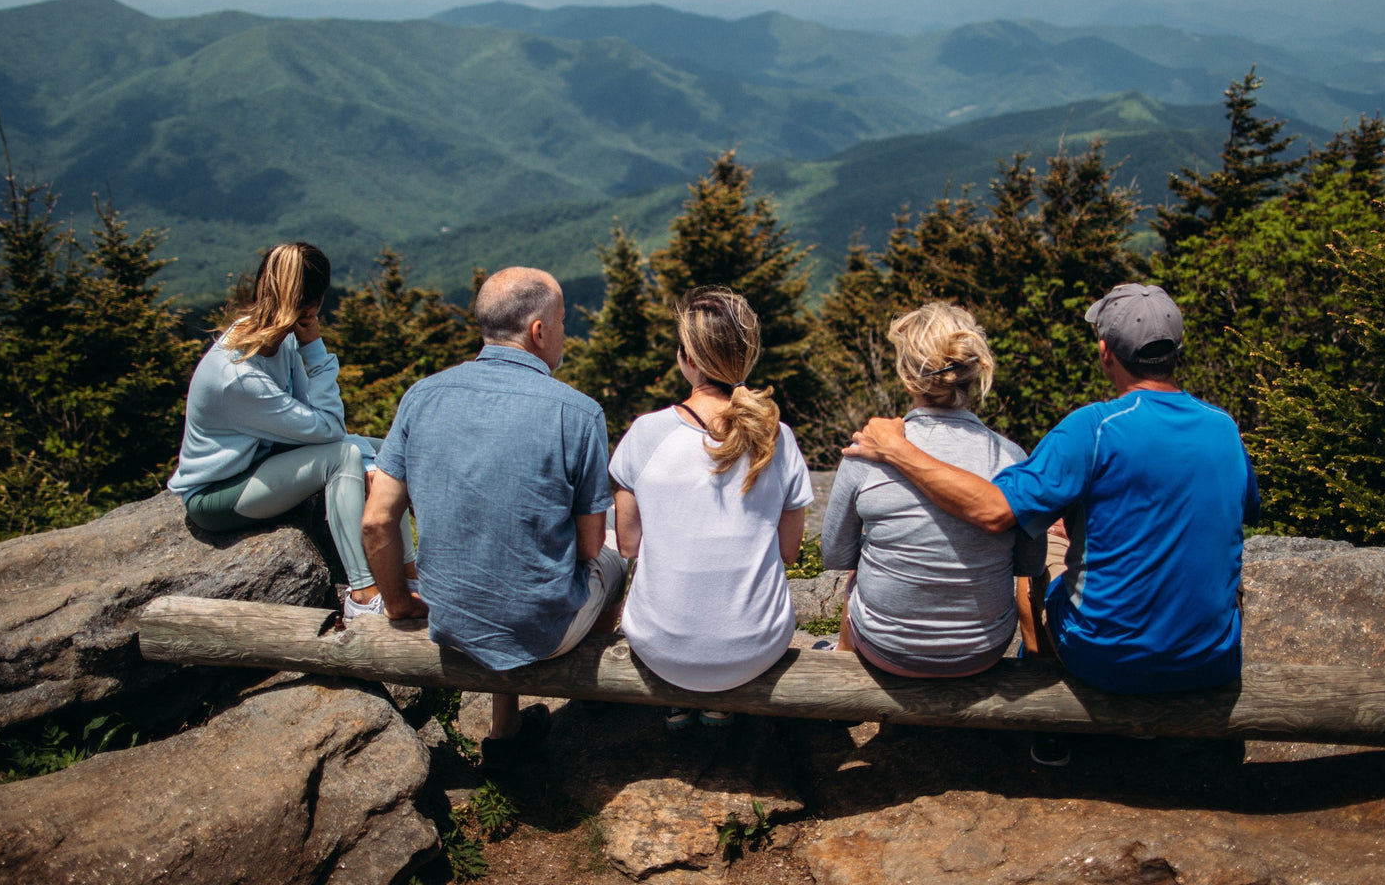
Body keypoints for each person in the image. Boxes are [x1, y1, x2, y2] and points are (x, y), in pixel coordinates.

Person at [844, 283, 1259, 765]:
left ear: (1105, 353)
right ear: (1175, 351)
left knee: (1042, 551)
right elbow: (1240, 510)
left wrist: (897, 449)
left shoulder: (1093, 427)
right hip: (1210, 659)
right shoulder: (1223, 427)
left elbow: (996, 510)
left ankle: (1049, 722)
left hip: (1106, 658)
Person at [362, 267, 626, 765]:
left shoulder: (422, 396)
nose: (565, 333)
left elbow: (376, 521)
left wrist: (398, 602)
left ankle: (506, 725)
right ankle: (593, 694)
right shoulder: (579, 412)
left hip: (451, 619)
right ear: (539, 331)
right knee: (615, 564)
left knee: (496, 544)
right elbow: (590, 548)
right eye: (563, 321)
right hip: (544, 633)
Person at [170, 241, 414, 619]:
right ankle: (362, 595)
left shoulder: (273, 340)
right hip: (216, 494)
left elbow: (317, 421)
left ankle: (408, 576)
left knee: (387, 451)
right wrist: (315, 349)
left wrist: (373, 461)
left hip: (260, 463)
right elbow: (331, 430)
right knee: (344, 457)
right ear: (312, 306)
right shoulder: (240, 376)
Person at [609, 287, 812, 730]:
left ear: (688, 359)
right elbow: (790, 551)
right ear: (746, 359)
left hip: (661, 647)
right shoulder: (779, 437)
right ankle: (723, 703)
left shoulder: (646, 434)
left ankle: (679, 700)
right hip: (756, 647)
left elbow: (628, 545)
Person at [821, 302, 1045, 677]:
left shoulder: (867, 452)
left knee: (858, 570)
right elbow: (1029, 563)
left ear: (907, 378)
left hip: (886, 649)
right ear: (972, 373)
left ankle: (842, 657)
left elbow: (836, 553)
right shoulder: (1011, 457)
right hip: (983, 649)